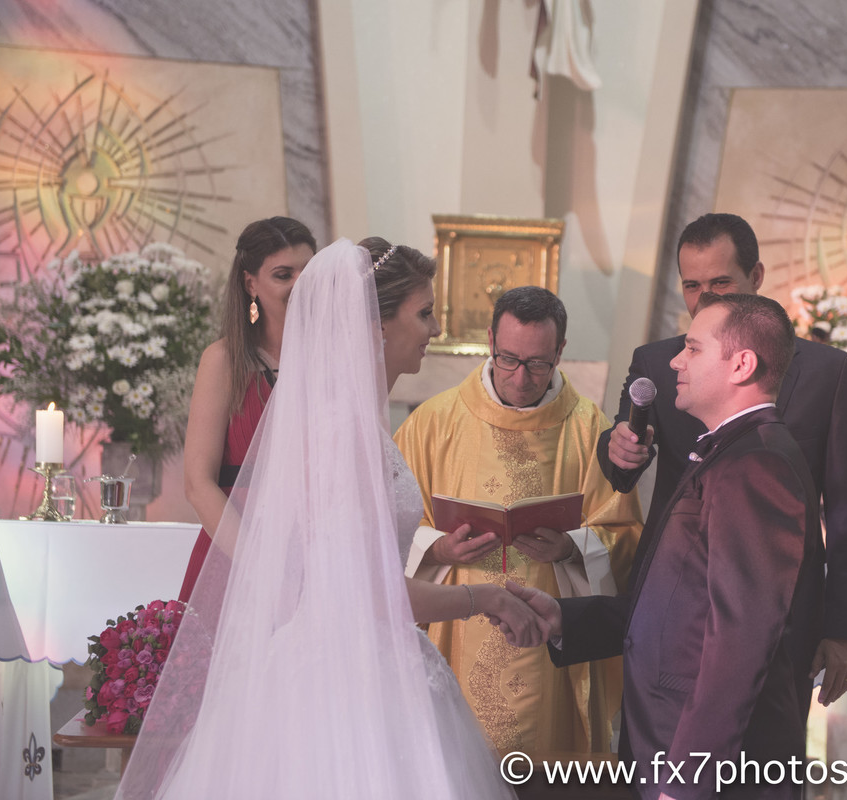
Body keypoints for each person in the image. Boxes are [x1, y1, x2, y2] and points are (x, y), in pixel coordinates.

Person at [116, 238, 539, 799]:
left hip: (356, 656)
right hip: (348, 677)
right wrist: (484, 599)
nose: (435, 328)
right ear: (377, 325)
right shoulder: (343, 432)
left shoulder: (354, 422)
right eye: (424, 313)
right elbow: (370, 592)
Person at [510, 293, 824, 800]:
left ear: (741, 365)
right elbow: (678, 604)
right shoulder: (728, 451)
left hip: (706, 768)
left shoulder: (757, 465)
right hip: (665, 741)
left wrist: (686, 781)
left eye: (693, 349)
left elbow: (739, 643)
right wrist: (565, 618)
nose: (676, 361)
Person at [598, 212, 847, 707]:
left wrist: (845, 629)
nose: (705, 299)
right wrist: (618, 448)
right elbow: (621, 466)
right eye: (692, 286)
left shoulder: (825, 372)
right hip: (669, 601)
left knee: (763, 750)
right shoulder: (658, 362)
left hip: (780, 612)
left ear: (757, 277)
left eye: (721, 283)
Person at [394, 286, 644, 755]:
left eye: (537, 363)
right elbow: (385, 534)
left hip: (549, 645)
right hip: (457, 631)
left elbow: (625, 536)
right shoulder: (433, 423)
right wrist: (439, 548)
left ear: (560, 352)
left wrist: (572, 548)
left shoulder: (589, 429)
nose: (521, 377)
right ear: (490, 341)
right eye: (508, 359)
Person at [178, 216, 316, 602]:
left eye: (308, 272)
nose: (300, 284)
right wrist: (260, 563)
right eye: (283, 275)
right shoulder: (223, 360)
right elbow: (197, 483)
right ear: (250, 283)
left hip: (313, 550)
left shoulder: (331, 361)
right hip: (235, 551)